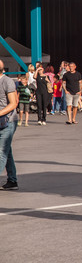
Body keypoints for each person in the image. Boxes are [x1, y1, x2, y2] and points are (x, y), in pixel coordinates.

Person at [0, 59, 19, 190]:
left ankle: (12, 180)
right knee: (7, 151)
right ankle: (12, 180)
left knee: (1, 152)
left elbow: (13, 104)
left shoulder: (7, 81)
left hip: (8, 121)